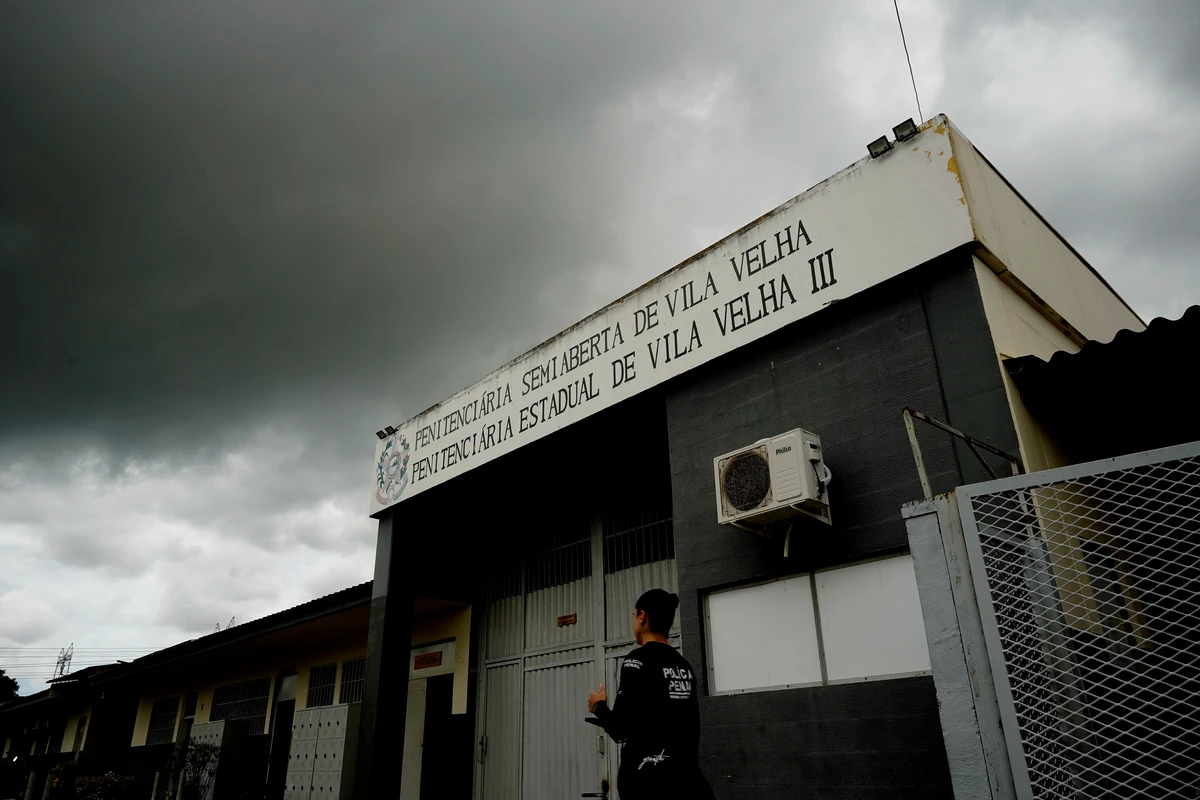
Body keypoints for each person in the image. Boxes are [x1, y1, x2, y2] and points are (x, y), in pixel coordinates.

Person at [587, 589, 714, 800]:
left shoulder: (637, 660)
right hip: (687, 783)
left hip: (647, 783)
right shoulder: (684, 666)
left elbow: (619, 729)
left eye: (633, 615)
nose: (633, 621)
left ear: (642, 617)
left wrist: (598, 705)